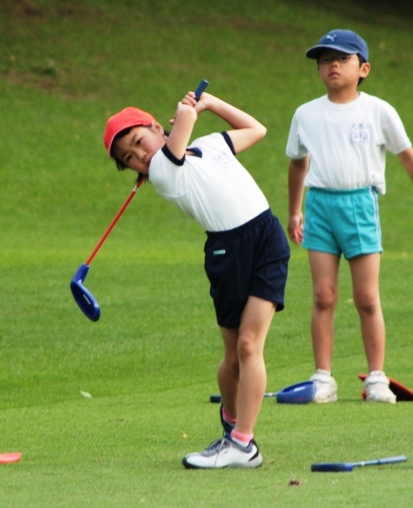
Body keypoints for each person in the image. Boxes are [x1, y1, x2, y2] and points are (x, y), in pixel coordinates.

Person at [104, 89, 290, 468]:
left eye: (139, 141)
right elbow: (182, 128)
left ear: (156, 127)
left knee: (250, 345)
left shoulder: (208, 146)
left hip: (267, 237)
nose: (139, 155)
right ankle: (231, 425)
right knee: (234, 355)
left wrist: (212, 104)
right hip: (227, 253)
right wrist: (187, 111)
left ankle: (242, 445)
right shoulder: (161, 172)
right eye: (128, 157)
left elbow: (257, 129)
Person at [285, 29, 413, 403]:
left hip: (360, 205)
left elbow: (408, 157)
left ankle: (376, 378)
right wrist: (295, 210)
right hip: (320, 206)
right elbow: (297, 165)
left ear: (364, 68)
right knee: (323, 295)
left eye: (342, 58)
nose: (332, 65)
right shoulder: (305, 114)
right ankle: (323, 378)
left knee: (367, 298)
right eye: (325, 60)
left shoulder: (378, 111)